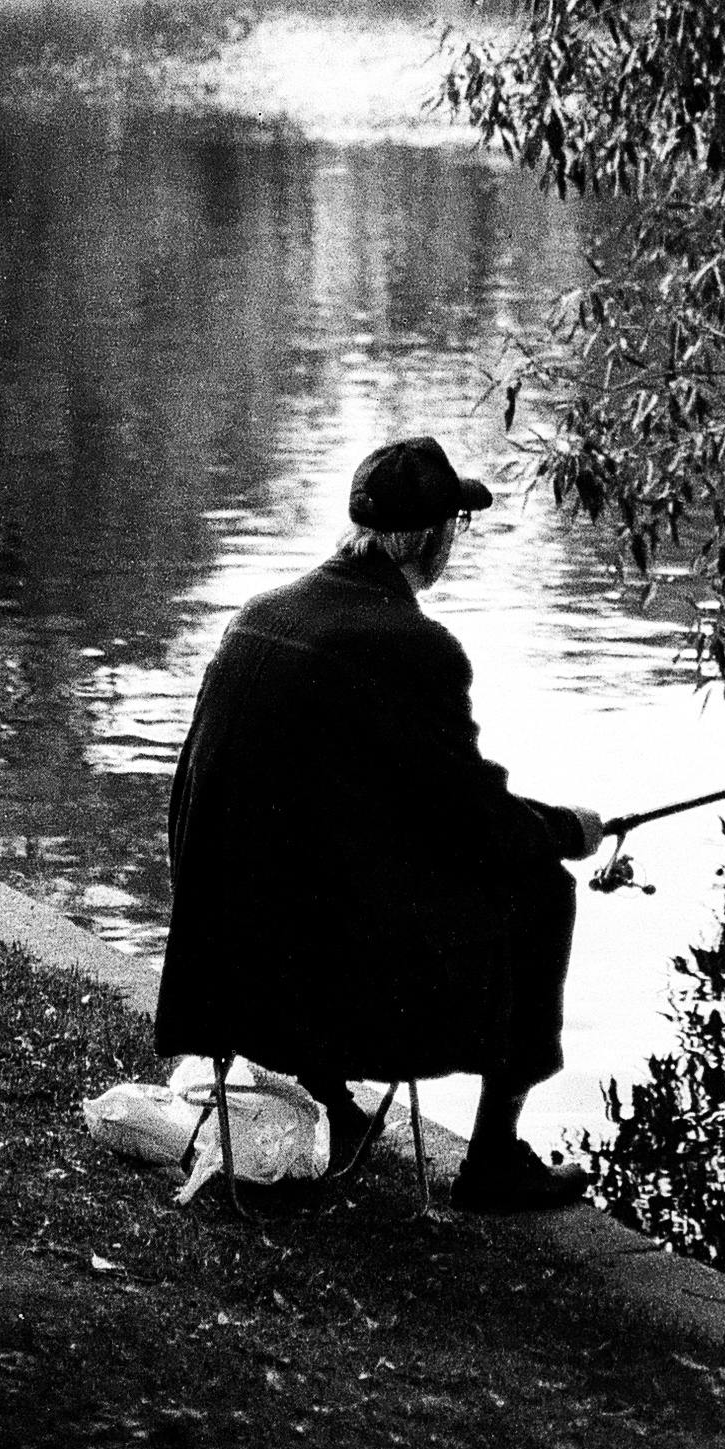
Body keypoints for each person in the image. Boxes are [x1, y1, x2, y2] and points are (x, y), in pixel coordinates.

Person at [154, 434, 605, 1212]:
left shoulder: (261, 615)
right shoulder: (413, 646)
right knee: (543, 895)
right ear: (429, 538)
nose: (455, 544)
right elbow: (474, 821)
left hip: (220, 969)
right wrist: (568, 829)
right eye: (456, 528)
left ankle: (337, 1101)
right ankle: (493, 1160)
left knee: (329, 868)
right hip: (316, 990)